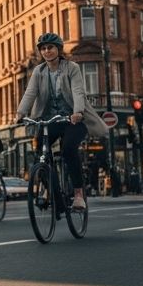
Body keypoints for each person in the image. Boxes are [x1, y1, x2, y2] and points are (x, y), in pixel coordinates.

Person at [16, 32, 109, 211]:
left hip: (73, 120)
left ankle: (78, 194)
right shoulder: (39, 71)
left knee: (68, 150)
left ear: (58, 49)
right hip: (49, 120)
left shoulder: (71, 68)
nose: (47, 51)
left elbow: (78, 91)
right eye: (43, 49)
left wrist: (78, 112)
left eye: (50, 48)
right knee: (40, 155)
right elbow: (30, 93)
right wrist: (21, 113)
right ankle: (51, 190)